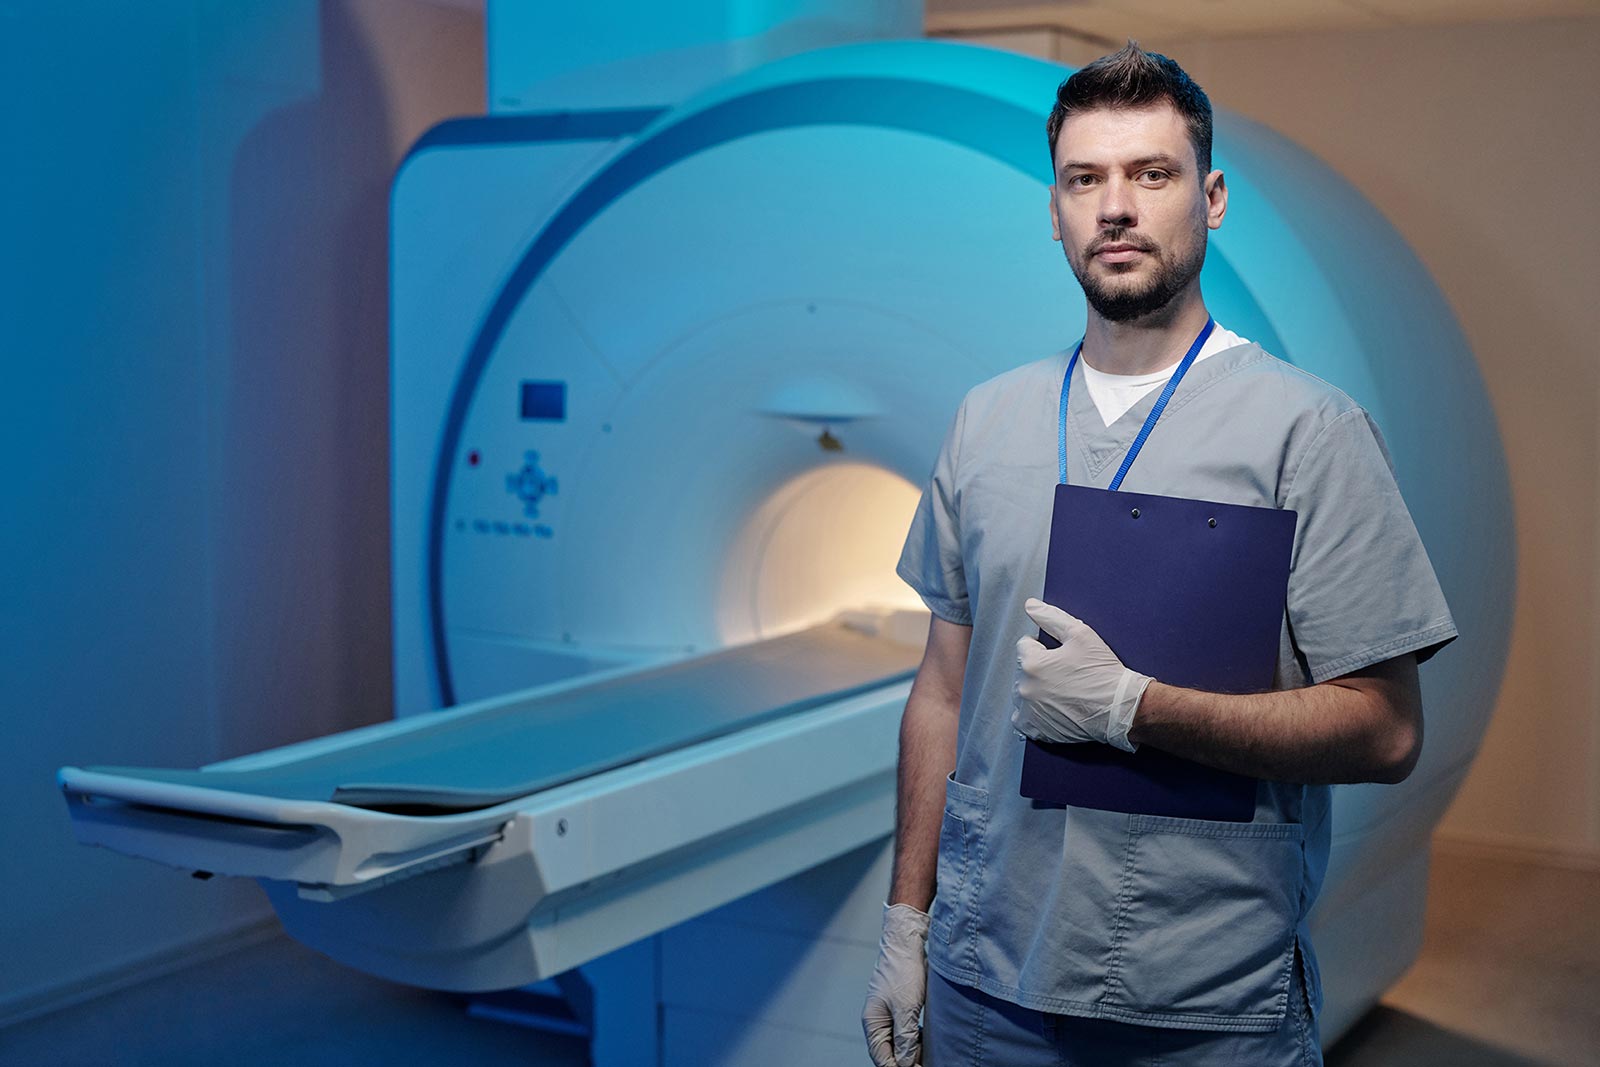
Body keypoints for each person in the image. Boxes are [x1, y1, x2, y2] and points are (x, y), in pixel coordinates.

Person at [861, 42, 1458, 1067]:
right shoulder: (986, 420)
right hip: (980, 979)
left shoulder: (1305, 430)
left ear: (1211, 196)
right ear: (1053, 210)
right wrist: (906, 921)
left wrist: (1133, 708)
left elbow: (1384, 729)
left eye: (1152, 173)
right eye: (1084, 179)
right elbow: (942, 691)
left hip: (1205, 996)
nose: (1116, 207)